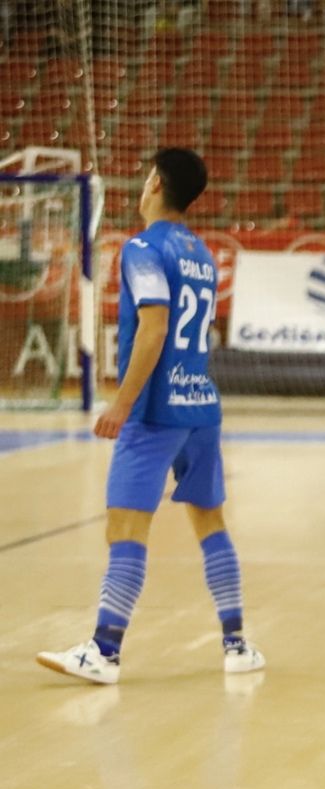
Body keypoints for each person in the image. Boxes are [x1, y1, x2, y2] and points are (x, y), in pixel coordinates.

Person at [37, 149, 266, 685]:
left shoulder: (143, 248)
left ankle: (104, 651)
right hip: (201, 407)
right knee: (210, 523)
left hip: (155, 411)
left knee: (125, 529)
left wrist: (121, 403)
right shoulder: (202, 254)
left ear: (157, 183)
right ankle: (237, 645)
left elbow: (155, 328)